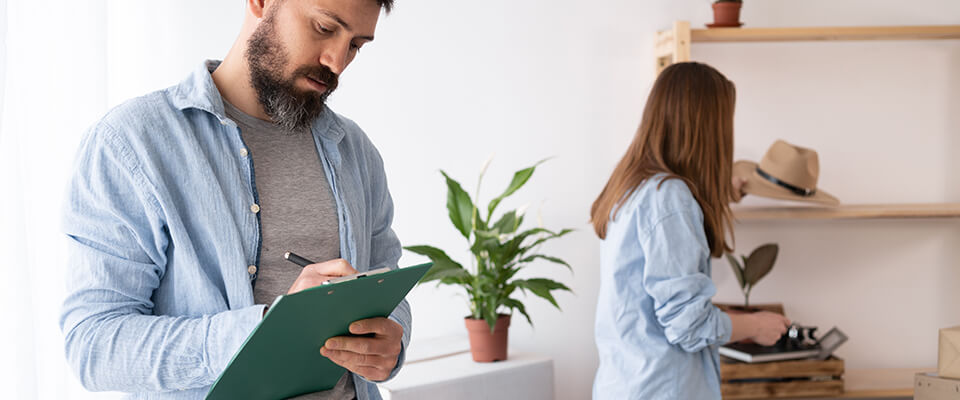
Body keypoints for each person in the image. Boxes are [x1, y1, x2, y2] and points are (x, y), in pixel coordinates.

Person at [59, 1, 407, 399]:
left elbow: (387, 287)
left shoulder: (355, 151)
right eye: (325, 28)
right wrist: (264, 329)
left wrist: (390, 343)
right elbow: (94, 345)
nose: (336, 61)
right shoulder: (130, 143)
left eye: (356, 45)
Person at [589, 62, 791, 399]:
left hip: (625, 383)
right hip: (661, 388)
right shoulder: (671, 198)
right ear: (706, 126)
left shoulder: (633, 186)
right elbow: (688, 325)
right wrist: (755, 326)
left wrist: (719, 191)